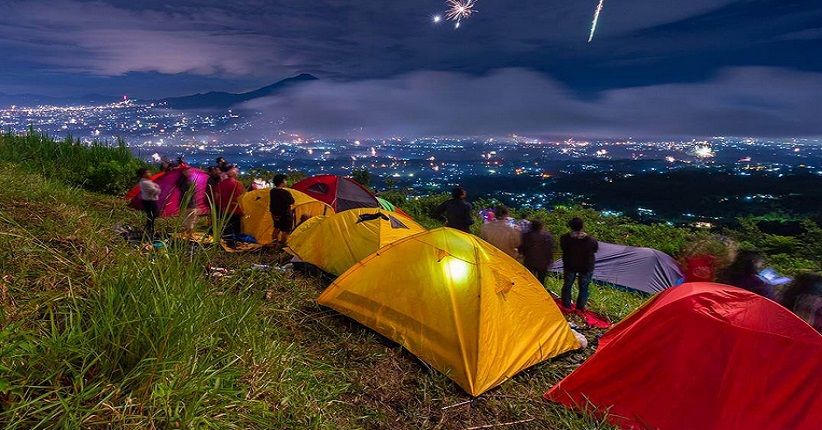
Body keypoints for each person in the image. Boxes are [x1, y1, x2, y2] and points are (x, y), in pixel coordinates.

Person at [560, 217, 599, 312]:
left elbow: (563, 248)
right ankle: (580, 307)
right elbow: (595, 250)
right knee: (584, 287)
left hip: (570, 265)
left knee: (567, 285)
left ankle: (566, 305)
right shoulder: (591, 240)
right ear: (582, 226)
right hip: (586, 266)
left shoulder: (565, 238)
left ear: (571, 227)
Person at [212, 166, 245, 237]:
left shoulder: (219, 185)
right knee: (236, 230)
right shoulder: (238, 184)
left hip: (224, 210)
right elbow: (242, 198)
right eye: (236, 172)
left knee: (226, 230)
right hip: (235, 210)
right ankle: (235, 244)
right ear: (233, 174)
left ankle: (225, 244)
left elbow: (216, 198)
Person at [521, 219, 555, 285]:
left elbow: (522, 248)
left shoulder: (526, 235)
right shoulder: (547, 236)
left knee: (529, 280)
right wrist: (550, 260)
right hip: (543, 263)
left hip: (529, 261)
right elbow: (549, 249)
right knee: (541, 281)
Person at [269, 174, 296, 245]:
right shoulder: (285, 192)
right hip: (285, 214)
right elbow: (292, 201)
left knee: (277, 228)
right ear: (282, 181)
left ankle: (274, 244)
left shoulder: (272, 191)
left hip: (275, 214)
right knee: (286, 231)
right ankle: (282, 246)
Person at [137, 168, 161, 240]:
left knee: (152, 216)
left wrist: (156, 187)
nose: (150, 173)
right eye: (148, 172)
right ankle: (149, 230)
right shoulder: (145, 182)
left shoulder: (146, 181)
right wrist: (158, 189)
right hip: (149, 201)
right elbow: (155, 190)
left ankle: (149, 228)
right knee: (151, 216)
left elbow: (155, 188)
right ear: (144, 174)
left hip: (149, 201)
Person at [178, 167, 200, 237]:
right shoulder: (188, 182)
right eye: (188, 171)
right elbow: (192, 192)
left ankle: (186, 236)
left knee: (186, 220)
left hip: (184, 204)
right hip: (191, 204)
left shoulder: (180, 181)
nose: (190, 172)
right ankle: (190, 236)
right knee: (191, 220)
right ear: (184, 173)